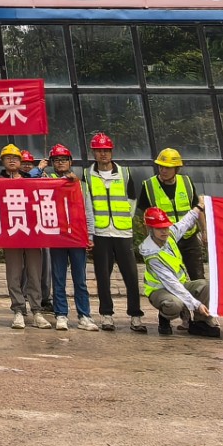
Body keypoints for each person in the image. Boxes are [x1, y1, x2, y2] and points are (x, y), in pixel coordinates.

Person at [85, 132, 145, 332]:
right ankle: (106, 315)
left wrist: (125, 220)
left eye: (106, 150)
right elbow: (86, 204)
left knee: (131, 276)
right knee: (103, 276)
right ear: (93, 153)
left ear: (112, 152)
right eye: (99, 150)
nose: (103, 154)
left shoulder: (124, 173)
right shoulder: (87, 175)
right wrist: (91, 232)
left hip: (122, 232)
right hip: (101, 232)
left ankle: (135, 316)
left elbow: (132, 200)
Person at [138, 206, 220, 337]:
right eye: (159, 228)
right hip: (160, 290)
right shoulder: (152, 255)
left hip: (180, 284)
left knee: (206, 286)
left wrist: (198, 207)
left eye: (166, 227)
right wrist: (197, 305)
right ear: (150, 229)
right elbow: (172, 284)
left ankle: (201, 323)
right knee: (175, 304)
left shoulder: (169, 235)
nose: (164, 231)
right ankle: (164, 318)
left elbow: (185, 222)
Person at [0, 143, 52, 330]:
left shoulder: (33, 180)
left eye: (15, 158)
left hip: (32, 233)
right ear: (3, 161)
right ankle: (18, 310)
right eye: (8, 158)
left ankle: (37, 310)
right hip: (11, 234)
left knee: (34, 273)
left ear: (20, 161)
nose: (12, 161)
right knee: (14, 274)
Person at [46, 145, 97, 331]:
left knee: (80, 279)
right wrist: (40, 167)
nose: (60, 163)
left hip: (76, 236)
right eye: (56, 160)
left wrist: (89, 235)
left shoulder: (80, 184)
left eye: (63, 160)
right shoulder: (47, 182)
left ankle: (84, 315)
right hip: (58, 237)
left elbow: (88, 211)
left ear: (70, 162)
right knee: (58, 278)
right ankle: (61, 314)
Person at [143, 149, 204, 281]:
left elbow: (197, 208)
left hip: (189, 239)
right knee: (171, 280)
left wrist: (204, 232)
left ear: (177, 169)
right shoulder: (149, 185)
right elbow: (145, 217)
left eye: (168, 168)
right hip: (166, 240)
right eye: (161, 166)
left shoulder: (186, 182)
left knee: (199, 280)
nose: (163, 170)